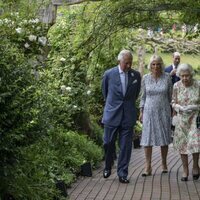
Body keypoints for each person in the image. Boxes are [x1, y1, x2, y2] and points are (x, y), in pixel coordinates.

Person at [102, 49, 141, 183]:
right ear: (119, 61)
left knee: (125, 146)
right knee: (108, 142)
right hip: (112, 114)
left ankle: (122, 173)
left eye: (130, 63)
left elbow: (135, 95)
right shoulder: (108, 74)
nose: (129, 66)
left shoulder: (136, 75)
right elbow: (105, 93)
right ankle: (108, 165)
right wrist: (112, 105)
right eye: (126, 63)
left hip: (128, 116)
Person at [139, 55, 172, 176]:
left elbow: (170, 96)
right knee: (147, 139)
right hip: (148, 111)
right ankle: (148, 166)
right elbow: (143, 96)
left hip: (163, 111)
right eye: (153, 64)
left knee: (164, 138)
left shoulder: (167, 77)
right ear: (150, 66)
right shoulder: (146, 78)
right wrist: (141, 111)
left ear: (162, 65)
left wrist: (172, 109)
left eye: (158, 64)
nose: (156, 66)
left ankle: (164, 163)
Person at [172, 63, 200, 181]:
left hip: (195, 118)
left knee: (195, 143)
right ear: (179, 75)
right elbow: (173, 102)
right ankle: (185, 169)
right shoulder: (176, 86)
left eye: (187, 76)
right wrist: (179, 107)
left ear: (191, 75)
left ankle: (195, 166)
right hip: (182, 119)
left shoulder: (198, 85)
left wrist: (194, 107)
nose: (185, 78)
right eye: (182, 76)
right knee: (182, 144)